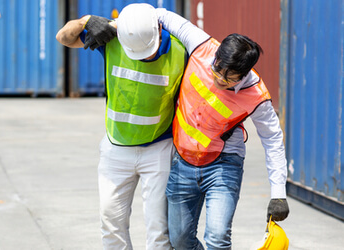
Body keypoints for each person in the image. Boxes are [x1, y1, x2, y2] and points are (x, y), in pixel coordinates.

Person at [152, 9, 290, 249]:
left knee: (217, 239)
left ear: (244, 74)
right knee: (180, 240)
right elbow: (160, 14)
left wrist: (278, 193)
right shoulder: (200, 45)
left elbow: (273, 141)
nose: (219, 79)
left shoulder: (256, 97)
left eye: (229, 79)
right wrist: (117, 25)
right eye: (217, 70)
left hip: (223, 165)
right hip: (182, 161)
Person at [56, 3, 187, 249]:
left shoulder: (181, 51)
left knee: (159, 232)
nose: (144, 57)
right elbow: (63, 37)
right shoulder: (112, 39)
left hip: (158, 148)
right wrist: (85, 21)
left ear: (160, 29)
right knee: (110, 224)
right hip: (116, 147)